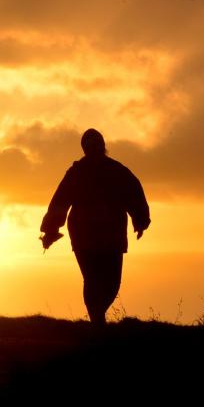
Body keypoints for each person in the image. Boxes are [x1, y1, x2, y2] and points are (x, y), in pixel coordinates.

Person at [40, 128, 151, 325]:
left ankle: (97, 317)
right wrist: (50, 230)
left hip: (111, 235)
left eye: (98, 144)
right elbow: (61, 201)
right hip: (85, 236)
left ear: (103, 146)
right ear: (85, 148)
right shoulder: (76, 173)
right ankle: (97, 321)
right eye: (91, 145)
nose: (96, 148)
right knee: (92, 280)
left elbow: (134, 194)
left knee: (112, 283)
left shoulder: (117, 171)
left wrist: (140, 220)